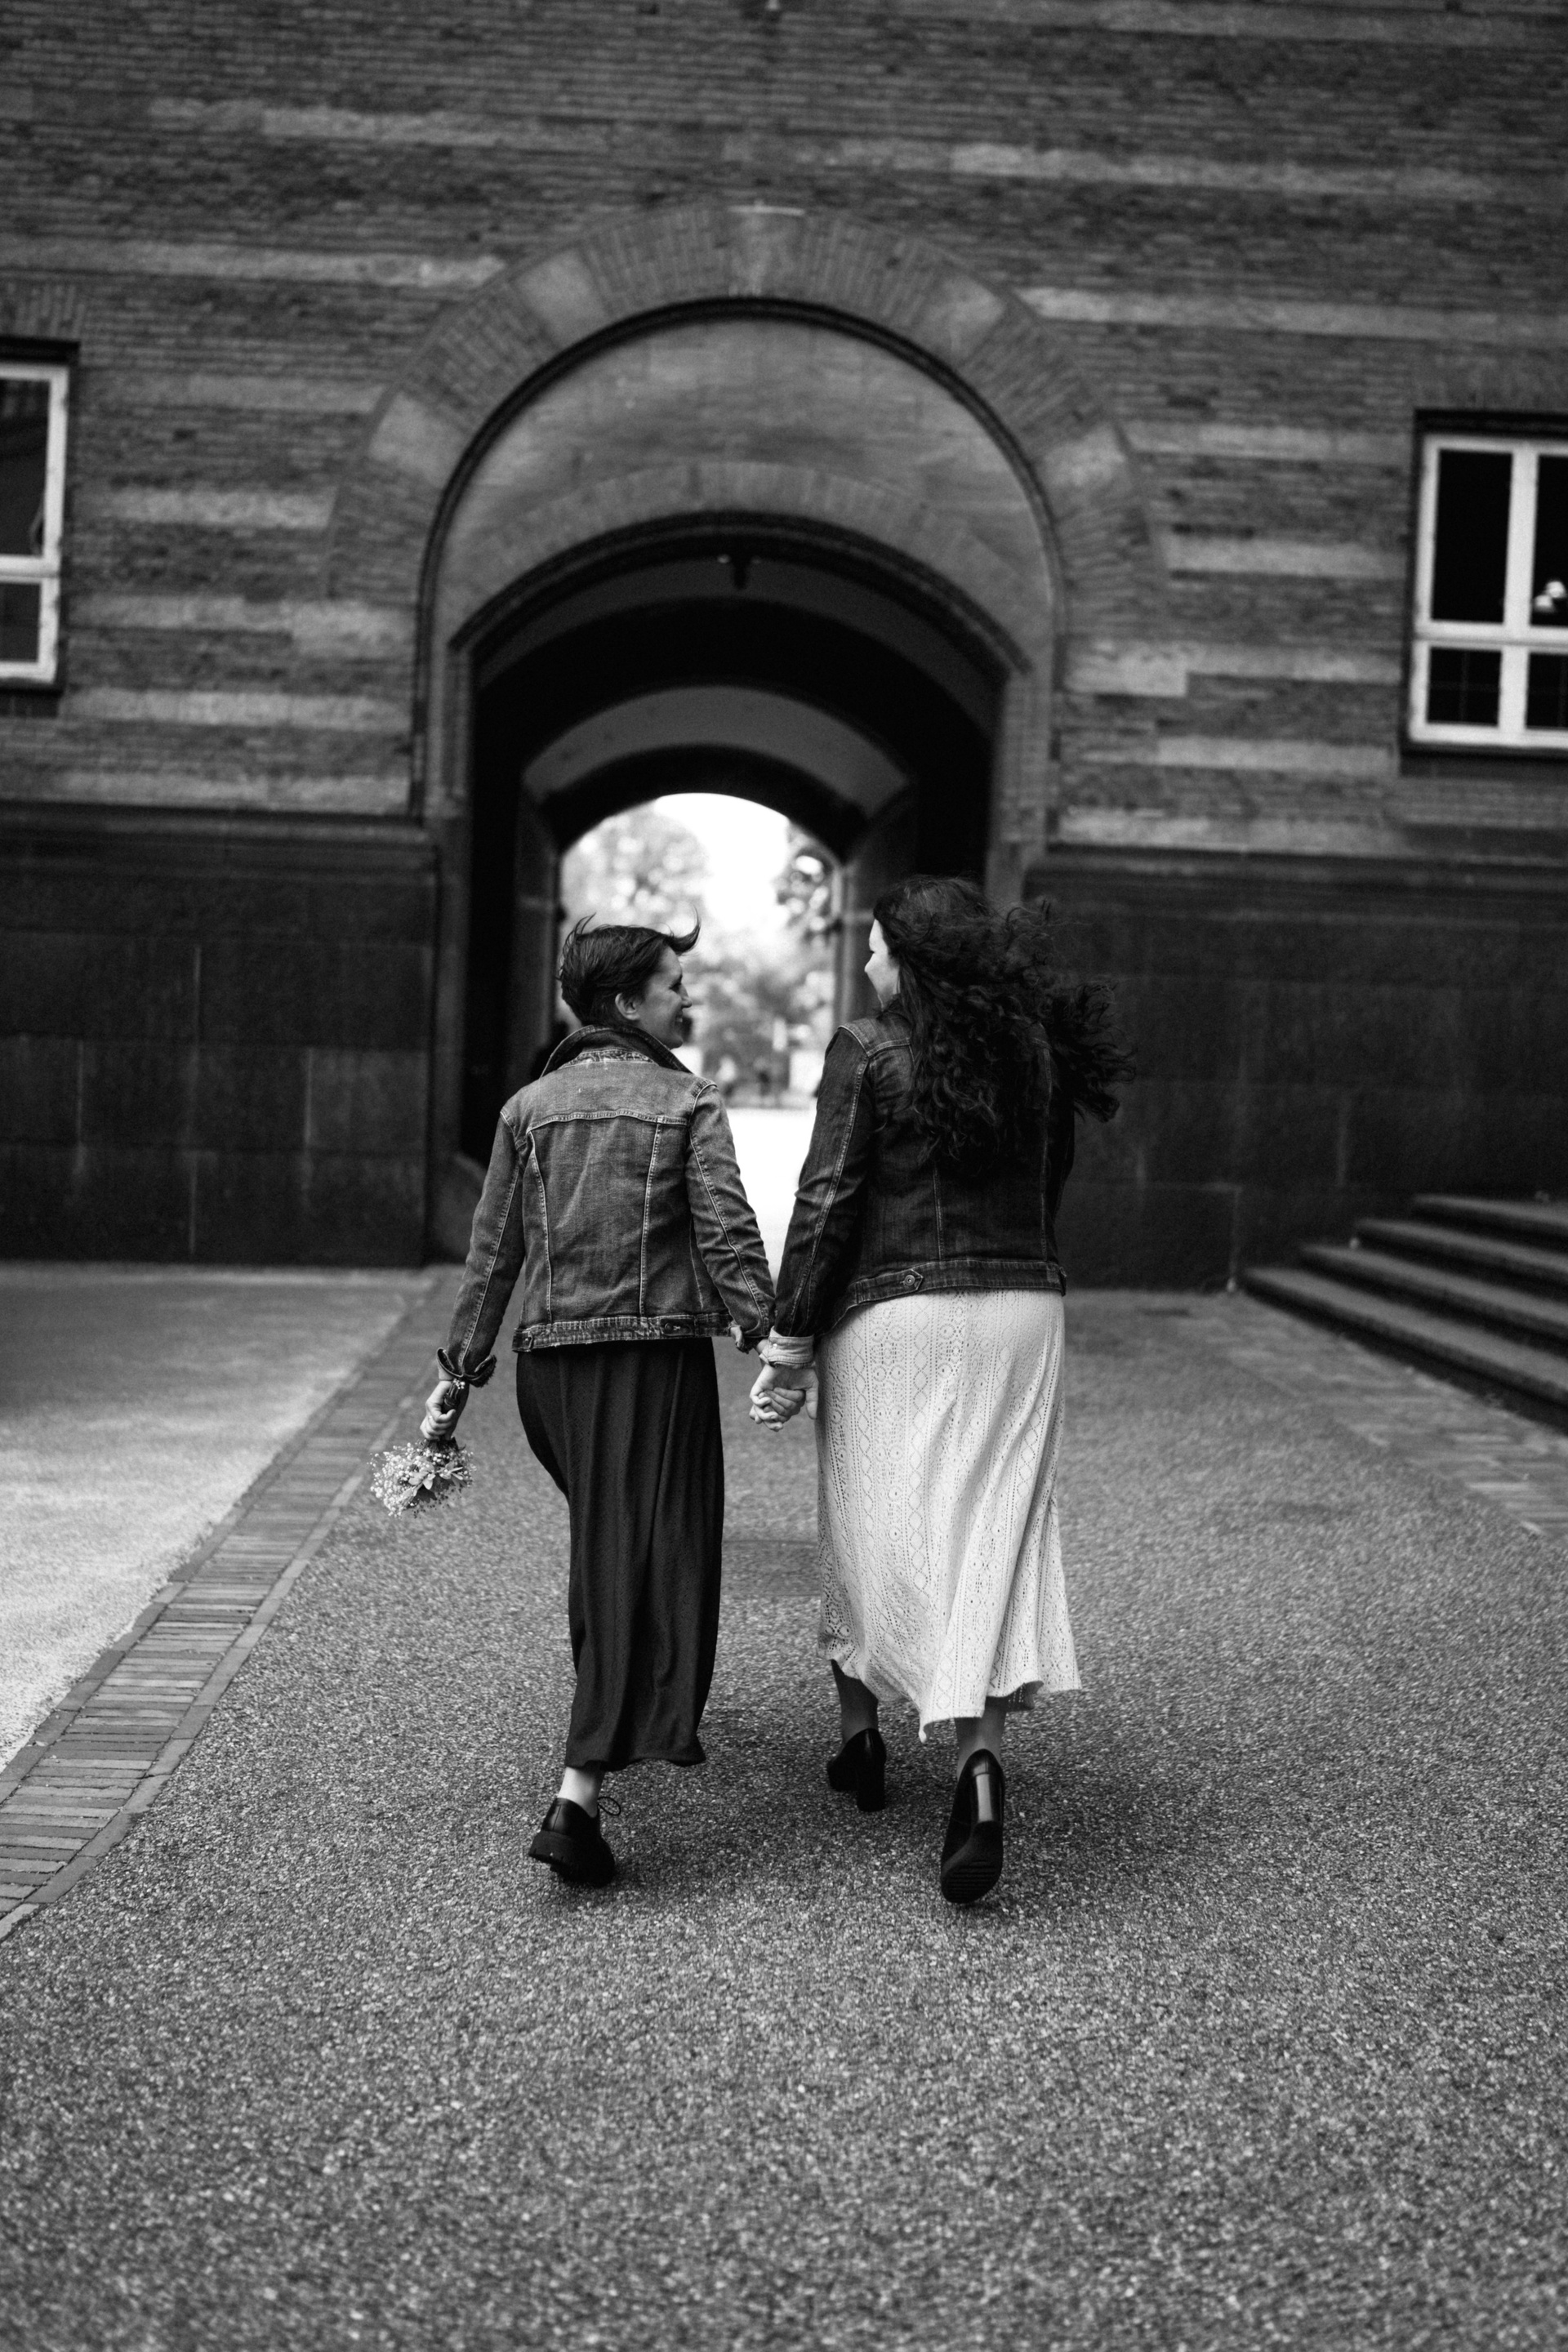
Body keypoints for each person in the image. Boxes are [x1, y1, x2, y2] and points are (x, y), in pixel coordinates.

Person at [750, 875, 1130, 1904]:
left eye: (878, 945)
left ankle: (862, 1738)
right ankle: (979, 1767)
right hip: (1024, 1312)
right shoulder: (1034, 1055)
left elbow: (827, 1199)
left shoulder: (867, 1049)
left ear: (912, 961)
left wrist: (788, 1339)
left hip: (894, 1314)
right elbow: (1047, 1190)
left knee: (871, 1520)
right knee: (993, 1532)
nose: (868, 960)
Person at [424, 918, 775, 1888]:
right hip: (650, 1368)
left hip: (552, 1376)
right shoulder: (686, 1100)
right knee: (646, 1555)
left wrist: (457, 1373)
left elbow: (493, 1255)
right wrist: (770, 1334)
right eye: (673, 984)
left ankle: (608, 1749)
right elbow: (727, 1232)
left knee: (615, 1550)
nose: (686, 999)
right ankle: (577, 1793)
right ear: (627, 1003)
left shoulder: (527, 1109)